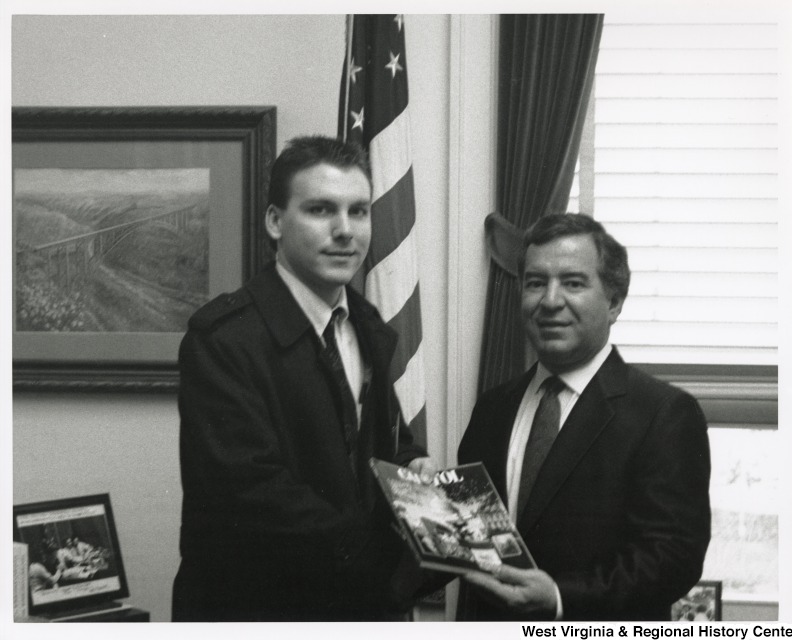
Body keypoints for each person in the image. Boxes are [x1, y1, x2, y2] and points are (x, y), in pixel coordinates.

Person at [172, 135, 435, 622]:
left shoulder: (367, 323)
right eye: (320, 210)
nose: (345, 231)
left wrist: (412, 465)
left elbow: (375, 445)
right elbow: (251, 493)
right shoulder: (223, 340)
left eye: (359, 212)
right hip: (258, 612)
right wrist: (393, 569)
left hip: (357, 608)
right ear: (275, 221)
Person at [458, 213, 711, 621]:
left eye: (573, 283)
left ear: (614, 302)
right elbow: (472, 537)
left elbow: (672, 557)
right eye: (536, 283)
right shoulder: (493, 408)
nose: (550, 301)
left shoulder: (663, 414)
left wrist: (560, 597)